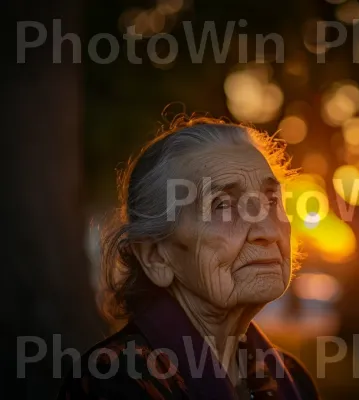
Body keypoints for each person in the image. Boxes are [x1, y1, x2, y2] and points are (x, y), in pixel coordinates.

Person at [58, 116, 319, 399]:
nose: (268, 230)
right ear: (156, 256)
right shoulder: (116, 382)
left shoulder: (292, 379)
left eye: (272, 200)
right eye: (222, 205)